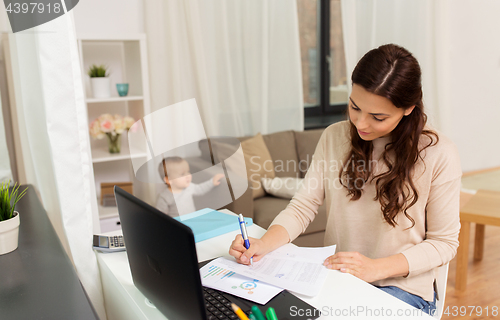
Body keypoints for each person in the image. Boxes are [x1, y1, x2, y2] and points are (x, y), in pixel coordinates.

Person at [229, 44, 461, 315]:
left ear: (408, 108)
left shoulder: (438, 153)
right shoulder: (334, 137)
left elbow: (443, 243)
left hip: (403, 289)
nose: (361, 123)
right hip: (339, 280)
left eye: (378, 117)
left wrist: (375, 268)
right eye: (354, 107)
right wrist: (264, 243)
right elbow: (303, 206)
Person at [156, 156, 225, 217]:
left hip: (192, 221)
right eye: (182, 174)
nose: (188, 175)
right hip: (178, 226)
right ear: (169, 180)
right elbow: (159, 216)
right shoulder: (165, 197)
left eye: (188, 171)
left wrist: (212, 182)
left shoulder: (189, 187)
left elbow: (200, 189)